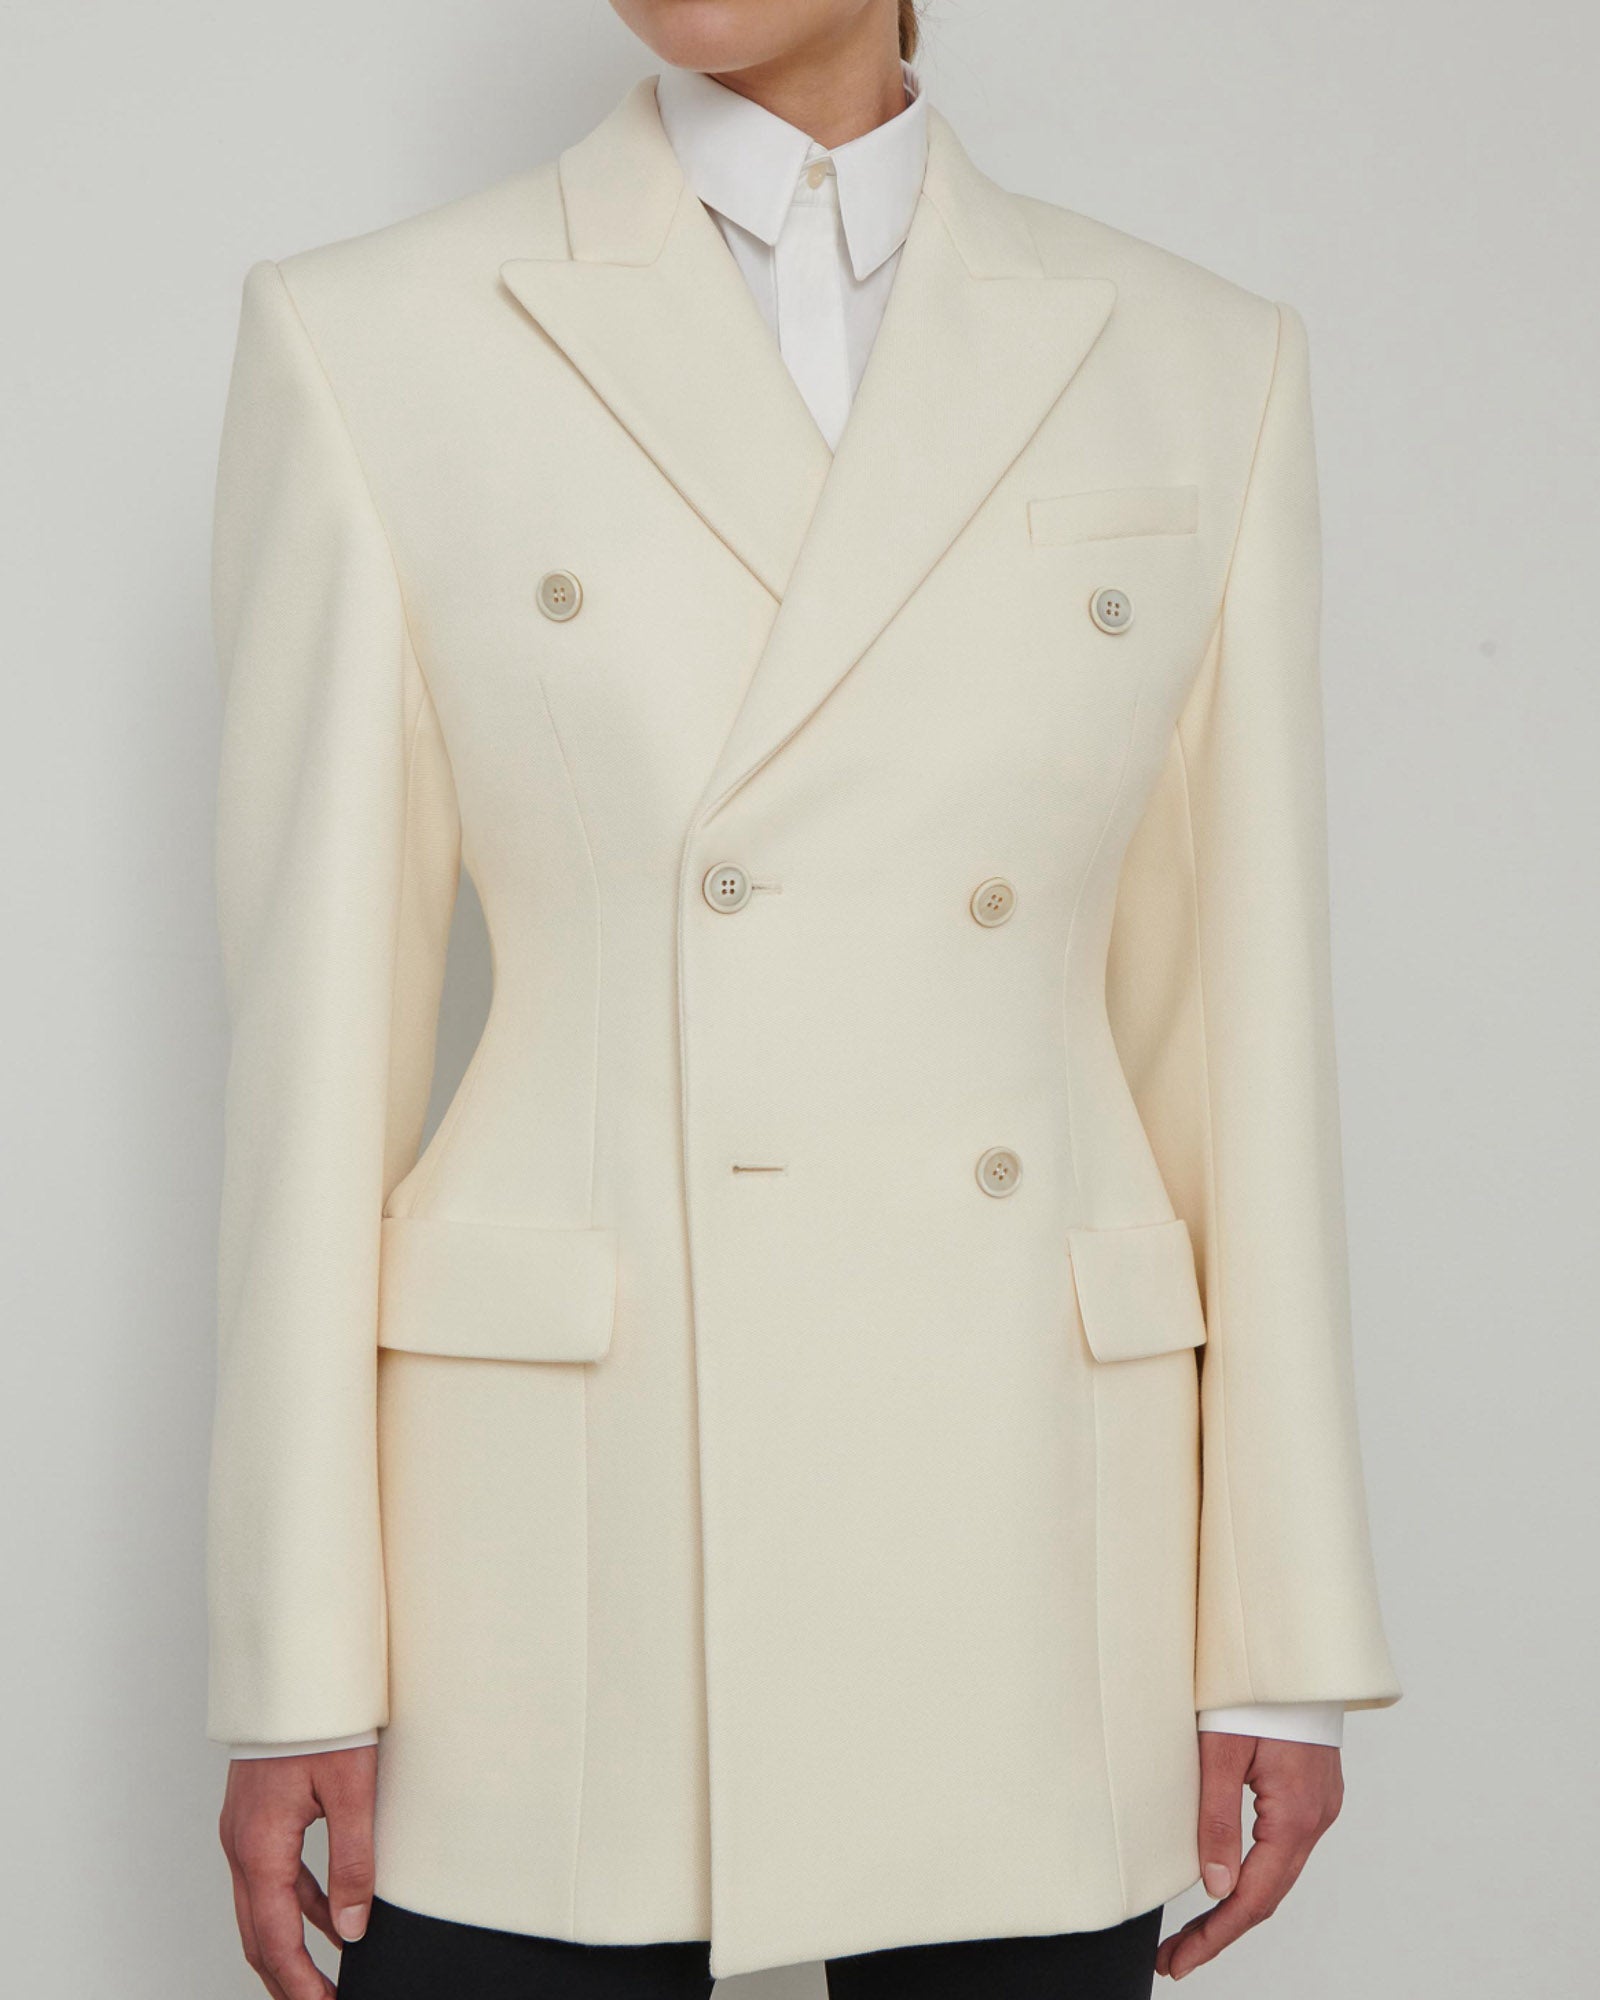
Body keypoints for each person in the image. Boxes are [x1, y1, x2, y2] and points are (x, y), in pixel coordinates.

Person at [207, 2, 1402, 1994]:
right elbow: (311, 1067)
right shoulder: (373, 338)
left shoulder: (1200, 362)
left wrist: (1274, 1633)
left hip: (1023, 1514)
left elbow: (1236, 1044)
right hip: (560, 1533)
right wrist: (294, 1653)